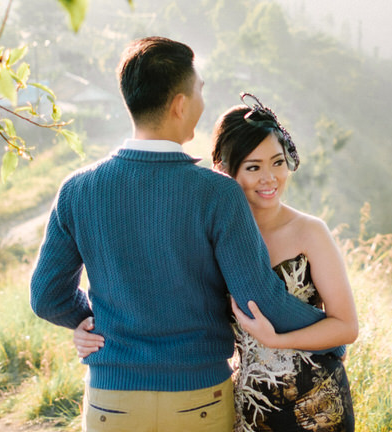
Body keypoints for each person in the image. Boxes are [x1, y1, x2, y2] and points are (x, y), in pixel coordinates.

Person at [30, 37, 338, 432]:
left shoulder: (78, 189)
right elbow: (258, 298)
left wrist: (92, 323)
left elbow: (46, 297)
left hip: (112, 400)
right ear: (179, 104)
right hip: (198, 402)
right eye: (199, 92)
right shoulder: (218, 192)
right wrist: (329, 335)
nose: (202, 104)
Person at [77, 93, 358, 432]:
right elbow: (156, 297)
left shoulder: (310, 232)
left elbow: (346, 327)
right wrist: (87, 325)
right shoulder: (210, 237)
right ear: (224, 170)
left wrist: (277, 339)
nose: (270, 178)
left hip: (316, 405)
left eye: (278, 162)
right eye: (253, 167)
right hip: (248, 405)